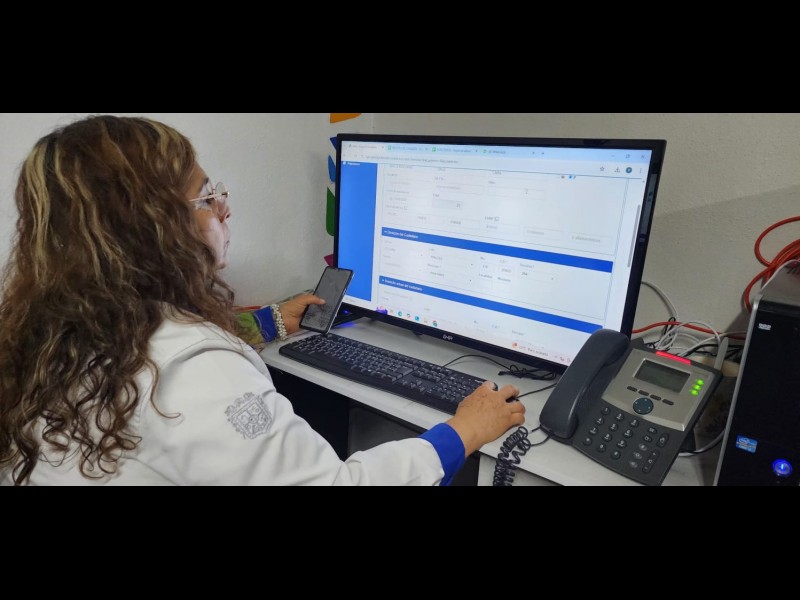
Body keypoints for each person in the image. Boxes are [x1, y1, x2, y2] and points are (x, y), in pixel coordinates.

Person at [0, 115, 525, 486]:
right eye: (207, 197)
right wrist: (462, 431)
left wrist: (270, 322)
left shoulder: (49, 328)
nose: (224, 209)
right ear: (153, 228)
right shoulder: (195, 371)